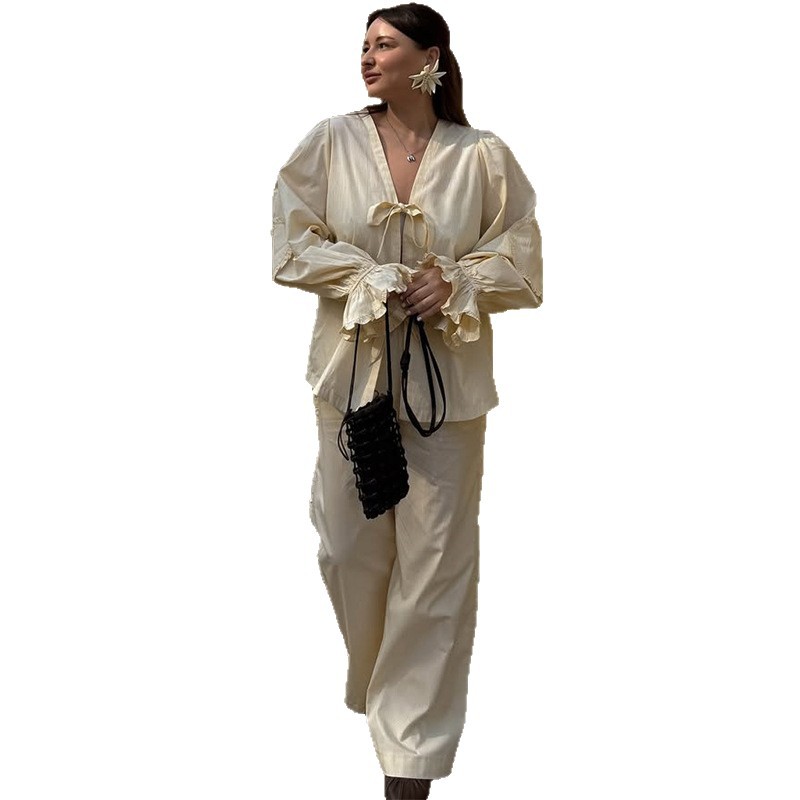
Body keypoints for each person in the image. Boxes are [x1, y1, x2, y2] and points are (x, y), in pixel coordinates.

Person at [271, 4, 542, 797]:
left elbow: (522, 258)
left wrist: (456, 282)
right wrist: (364, 273)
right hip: (350, 380)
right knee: (347, 546)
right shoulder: (329, 142)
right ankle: (385, 684)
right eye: (364, 45)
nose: (368, 57)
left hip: (446, 391)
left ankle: (410, 752)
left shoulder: (483, 155)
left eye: (385, 44)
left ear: (430, 60)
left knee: (437, 566)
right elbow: (289, 243)